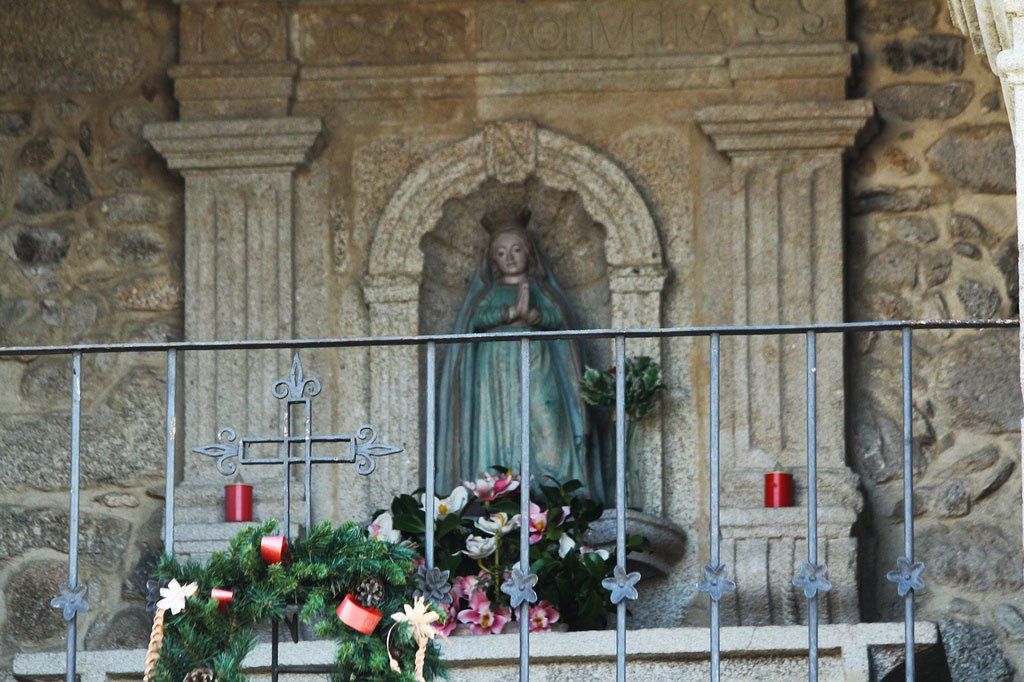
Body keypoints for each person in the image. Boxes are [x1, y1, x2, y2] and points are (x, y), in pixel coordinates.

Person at [436, 208, 605, 503]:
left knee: (547, 415)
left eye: (516, 250)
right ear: (492, 260)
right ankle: (497, 487)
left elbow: (560, 320)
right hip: (494, 367)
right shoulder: (489, 294)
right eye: (501, 253)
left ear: (529, 253)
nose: (510, 258)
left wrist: (534, 316)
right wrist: (510, 313)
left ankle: (555, 487)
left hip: (537, 362)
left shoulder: (542, 291)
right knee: (497, 423)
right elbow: (475, 319)